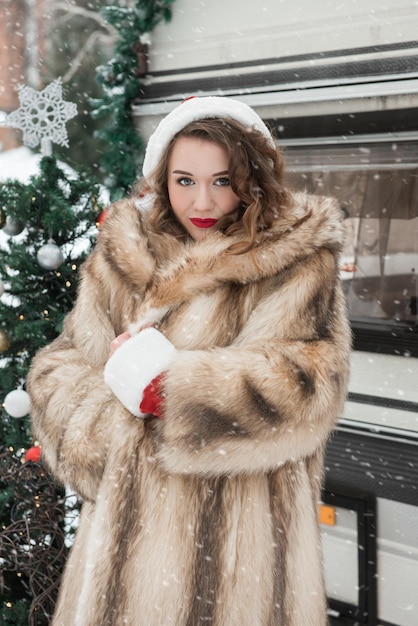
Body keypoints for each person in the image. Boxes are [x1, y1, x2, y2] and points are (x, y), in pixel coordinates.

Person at [27, 96, 351, 626]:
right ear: (162, 179)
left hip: (239, 551)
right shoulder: (122, 256)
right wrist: (106, 425)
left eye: (222, 180)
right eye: (184, 180)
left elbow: (312, 382)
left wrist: (177, 392)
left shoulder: (293, 260)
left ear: (253, 178)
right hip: (120, 551)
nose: (202, 200)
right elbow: (59, 367)